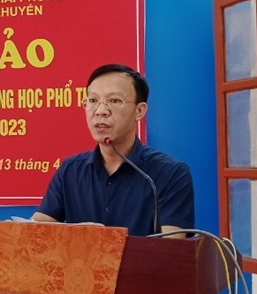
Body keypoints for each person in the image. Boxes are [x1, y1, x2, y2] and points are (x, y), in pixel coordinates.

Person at [32, 64, 194, 236]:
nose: (101, 111)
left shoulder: (171, 173)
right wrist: (76, 235)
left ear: (139, 111)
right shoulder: (70, 170)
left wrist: (104, 244)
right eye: (93, 101)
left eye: (115, 101)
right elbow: (34, 233)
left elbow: (171, 247)